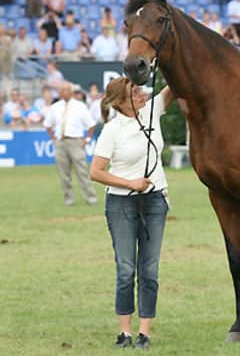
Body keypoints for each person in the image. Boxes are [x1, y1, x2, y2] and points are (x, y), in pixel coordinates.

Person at [90, 77, 176, 350]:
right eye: (134, 92)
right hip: (121, 203)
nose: (141, 94)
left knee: (150, 269)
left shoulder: (152, 109)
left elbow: (174, 84)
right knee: (126, 269)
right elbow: (96, 172)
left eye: (140, 89)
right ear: (120, 102)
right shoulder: (112, 130)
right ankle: (125, 333)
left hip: (155, 200)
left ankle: (144, 333)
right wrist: (131, 183)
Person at [43, 81, 97, 206]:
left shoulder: (80, 106)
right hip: (60, 142)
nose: (62, 92)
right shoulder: (55, 107)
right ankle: (69, 199)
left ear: (71, 92)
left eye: (65, 90)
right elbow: (47, 124)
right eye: (61, 90)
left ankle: (91, 198)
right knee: (63, 173)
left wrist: (87, 139)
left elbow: (91, 125)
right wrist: (54, 139)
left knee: (82, 171)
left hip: (75, 141)